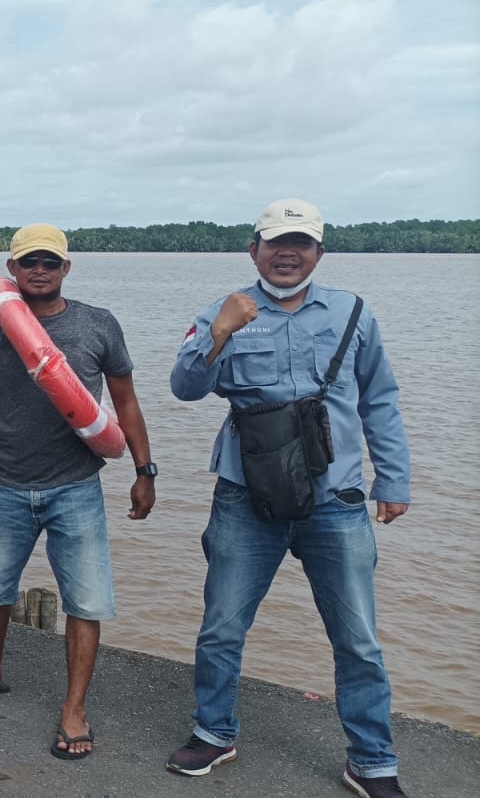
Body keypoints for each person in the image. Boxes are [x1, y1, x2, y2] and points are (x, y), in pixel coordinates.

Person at [165, 200, 411, 798]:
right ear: (254, 250)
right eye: (276, 242)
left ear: (319, 253)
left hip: (338, 499)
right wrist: (221, 331)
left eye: (301, 242)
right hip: (246, 496)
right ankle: (214, 732)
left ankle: (372, 760)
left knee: (358, 639)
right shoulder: (223, 311)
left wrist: (394, 480)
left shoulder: (352, 311)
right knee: (222, 626)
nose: (287, 252)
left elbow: (380, 397)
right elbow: (185, 388)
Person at [0, 223, 155, 760]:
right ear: (12, 269)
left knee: (86, 598)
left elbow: (124, 402)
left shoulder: (98, 324)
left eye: (49, 262)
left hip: (75, 486)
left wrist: (145, 471)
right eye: (28, 261)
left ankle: (74, 707)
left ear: (65, 269)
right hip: (5, 483)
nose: (39, 270)